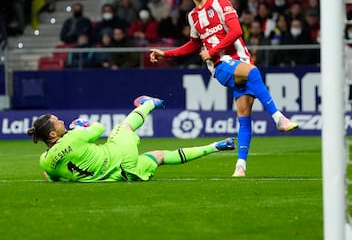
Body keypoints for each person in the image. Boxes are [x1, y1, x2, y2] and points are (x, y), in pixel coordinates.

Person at [149, 0, 298, 177]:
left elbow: (236, 30)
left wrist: (212, 50)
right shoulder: (193, 16)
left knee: (244, 117)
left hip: (239, 60)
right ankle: (279, 118)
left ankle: (240, 166)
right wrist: (167, 54)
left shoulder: (220, 3)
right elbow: (193, 44)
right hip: (221, 67)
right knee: (253, 73)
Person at [28, 96, 235, 182]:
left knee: (160, 156)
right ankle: (149, 103)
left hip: (119, 177)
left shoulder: (45, 161)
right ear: (53, 134)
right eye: (57, 122)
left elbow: (52, 176)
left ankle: (215, 146)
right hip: (118, 155)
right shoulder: (74, 136)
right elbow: (100, 128)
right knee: (123, 127)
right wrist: (84, 124)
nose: (61, 120)